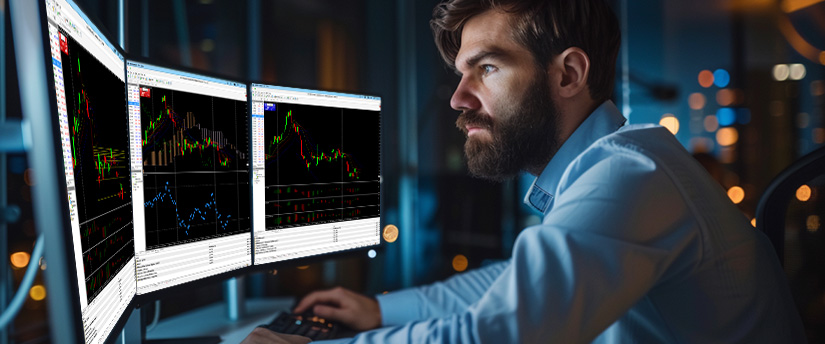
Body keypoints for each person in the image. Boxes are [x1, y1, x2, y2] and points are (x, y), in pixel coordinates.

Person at [243, 0, 806, 342]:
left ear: (568, 75)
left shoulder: (629, 173)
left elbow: (505, 331)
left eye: (486, 68)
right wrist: (380, 309)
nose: (459, 99)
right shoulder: (614, 167)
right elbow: (513, 286)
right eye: (462, 73)